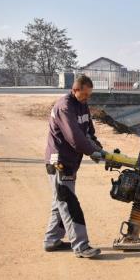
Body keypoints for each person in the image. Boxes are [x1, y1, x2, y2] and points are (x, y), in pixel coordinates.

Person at [43, 75, 105, 258]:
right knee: (68, 203)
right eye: (84, 94)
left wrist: (98, 148)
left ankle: (51, 240)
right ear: (75, 89)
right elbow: (75, 138)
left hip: (71, 161)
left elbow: (88, 132)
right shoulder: (65, 107)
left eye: (89, 95)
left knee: (60, 201)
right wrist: (91, 152)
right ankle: (81, 246)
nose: (87, 98)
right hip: (59, 161)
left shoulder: (82, 105)